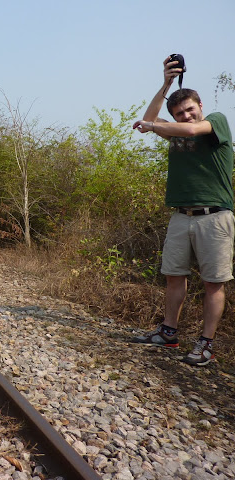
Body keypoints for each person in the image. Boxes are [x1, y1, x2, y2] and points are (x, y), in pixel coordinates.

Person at [131, 56, 234, 366]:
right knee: (174, 278)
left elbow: (188, 131)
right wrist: (165, 84)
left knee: (213, 283)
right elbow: (150, 120)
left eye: (190, 109)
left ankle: (206, 343)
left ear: (200, 106)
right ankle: (168, 332)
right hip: (181, 216)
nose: (186, 116)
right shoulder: (174, 129)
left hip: (215, 216)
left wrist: (153, 125)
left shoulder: (215, 122)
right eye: (179, 113)